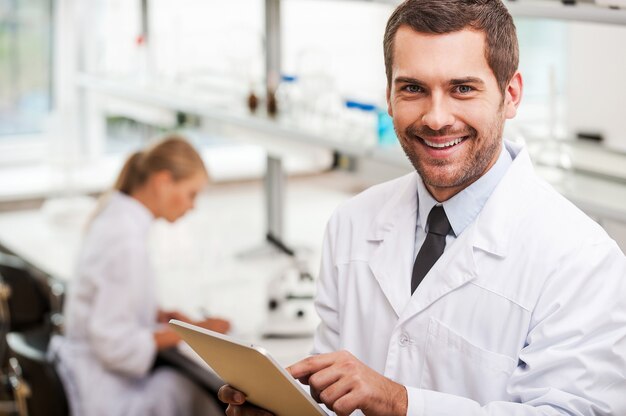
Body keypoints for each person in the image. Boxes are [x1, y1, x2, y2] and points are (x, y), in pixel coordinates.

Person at [219, 0, 626, 415]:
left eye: (462, 88)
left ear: (511, 95)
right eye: (413, 88)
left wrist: (400, 402)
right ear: (389, 96)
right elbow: (331, 395)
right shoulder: (352, 222)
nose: (436, 118)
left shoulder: (582, 260)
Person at [51, 135, 230, 416]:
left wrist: (154, 313)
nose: (193, 206)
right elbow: (115, 345)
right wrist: (196, 332)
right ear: (163, 182)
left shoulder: (116, 218)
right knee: (200, 395)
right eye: (191, 194)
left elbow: (109, 300)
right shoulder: (126, 242)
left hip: (88, 374)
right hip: (104, 396)